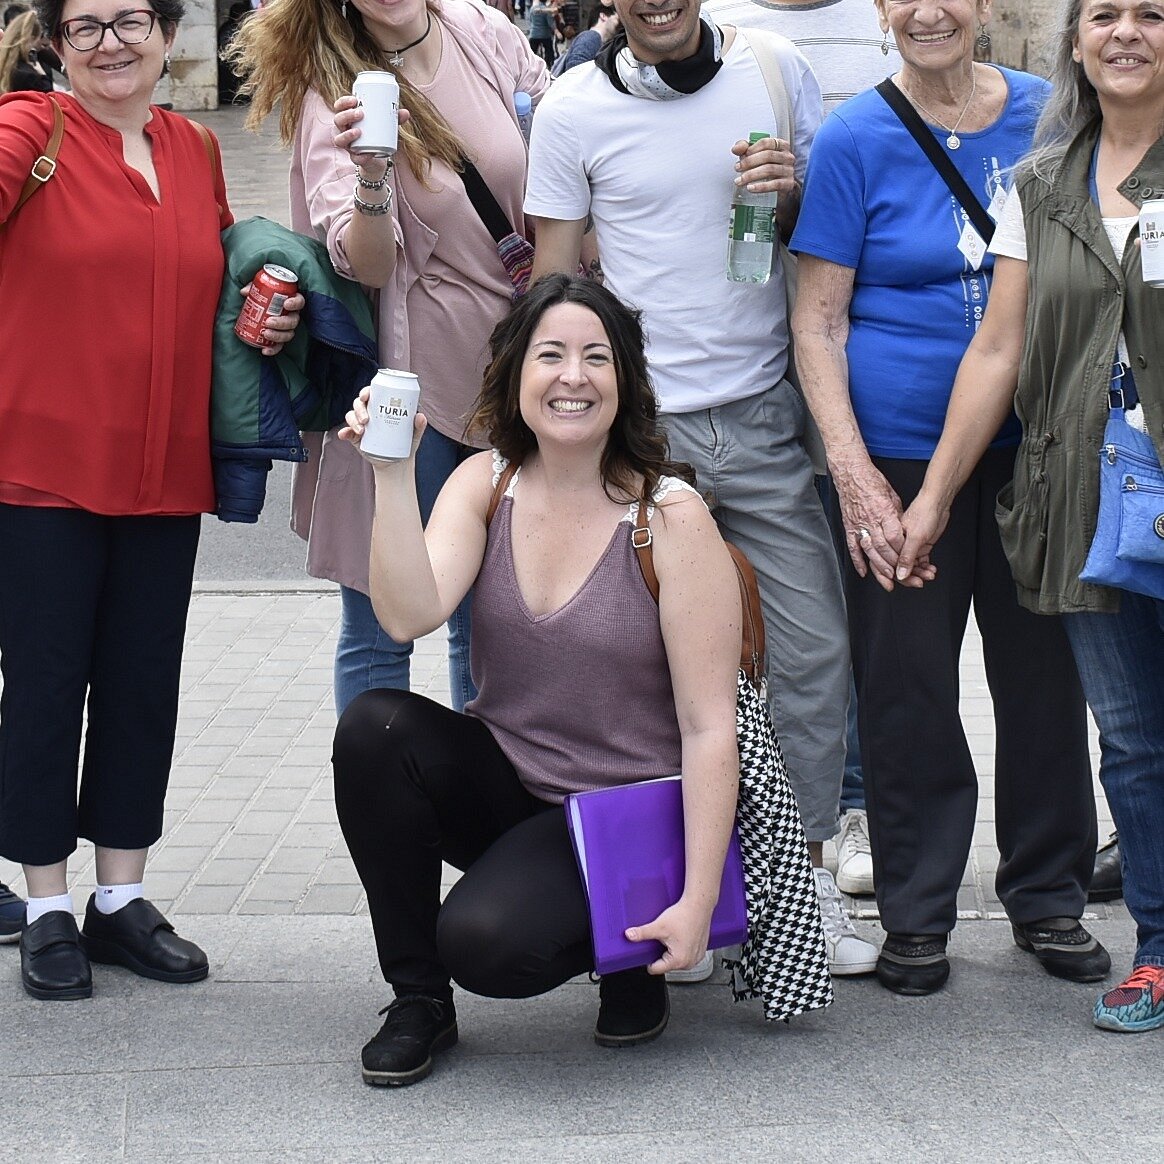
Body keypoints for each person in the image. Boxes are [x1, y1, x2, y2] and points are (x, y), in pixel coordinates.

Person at [525, 0, 876, 979]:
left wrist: (795, 190)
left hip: (762, 416)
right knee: (646, 674)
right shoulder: (573, 107)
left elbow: (822, 237)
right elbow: (554, 287)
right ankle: (678, 892)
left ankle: (797, 893)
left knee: (809, 651)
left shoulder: (771, 67)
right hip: (640, 436)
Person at [333, 274, 741, 1086]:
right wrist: (388, 473)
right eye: (550, 355)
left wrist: (698, 903)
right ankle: (418, 999)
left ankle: (626, 957)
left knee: (488, 944)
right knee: (376, 727)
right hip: (515, 788)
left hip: (622, 814)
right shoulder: (486, 484)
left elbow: (708, 728)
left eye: (596, 357)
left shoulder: (669, 516)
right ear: (516, 374)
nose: (572, 376)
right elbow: (407, 616)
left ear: (624, 381)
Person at [791, 0, 1108, 996]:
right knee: (906, 686)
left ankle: (1048, 896)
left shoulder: (1054, 114)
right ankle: (918, 913)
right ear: (883, 12)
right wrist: (850, 473)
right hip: (895, 461)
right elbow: (817, 321)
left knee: (1045, 679)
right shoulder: (853, 138)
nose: (930, 10)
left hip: (1035, 452)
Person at [0, 0, 301, 1002]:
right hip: (38, 468)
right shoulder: (28, 131)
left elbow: (208, 281)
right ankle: (46, 903)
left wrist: (268, 313)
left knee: (140, 685)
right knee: (45, 689)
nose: (110, 43)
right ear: (53, 42)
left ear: (169, 34)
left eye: (130, 19)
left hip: (165, 469)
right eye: (84, 26)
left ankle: (120, 897)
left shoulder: (193, 148)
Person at [894, 0, 1164, 1032]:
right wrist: (932, 498)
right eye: (1105, 15)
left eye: (1151, 14)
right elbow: (998, 351)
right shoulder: (1041, 186)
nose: (1126, 33)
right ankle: (1158, 949)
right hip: (1086, 504)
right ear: (1078, 40)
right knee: (1134, 742)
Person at [228, 0, 550, 717]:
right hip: (405, 387)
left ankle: (487, 813)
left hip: (514, 369)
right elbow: (366, 265)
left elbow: (564, 144)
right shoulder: (332, 86)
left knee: (490, 624)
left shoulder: (484, 34)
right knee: (380, 628)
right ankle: (380, 820)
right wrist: (373, 174)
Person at [703, 0, 905, 904]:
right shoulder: (717, 25)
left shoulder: (873, 20)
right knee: (741, 634)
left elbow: (820, 213)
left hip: (854, 368)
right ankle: (719, 851)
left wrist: (786, 194)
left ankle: (845, 813)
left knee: (829, 626)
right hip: (765, 369)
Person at [551, 2, 617, 76]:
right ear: (603, 16)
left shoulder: (595, 39)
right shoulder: (591, 37)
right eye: (616, 18)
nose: (618, 23)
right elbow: (574, 74)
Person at [0, 9, 52, 92]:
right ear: (31, 39)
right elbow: (49, 97)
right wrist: (43, 76)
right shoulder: (29, 76)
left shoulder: (6, 64)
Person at [527, 0, 555, 65]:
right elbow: (550, 23)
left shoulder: (532, 8)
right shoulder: (547, 10)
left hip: (534, 34)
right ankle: (549, 64)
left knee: (532, 52)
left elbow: (530, 20)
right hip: (545, 34)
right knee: (549, 50)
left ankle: (531, 65)